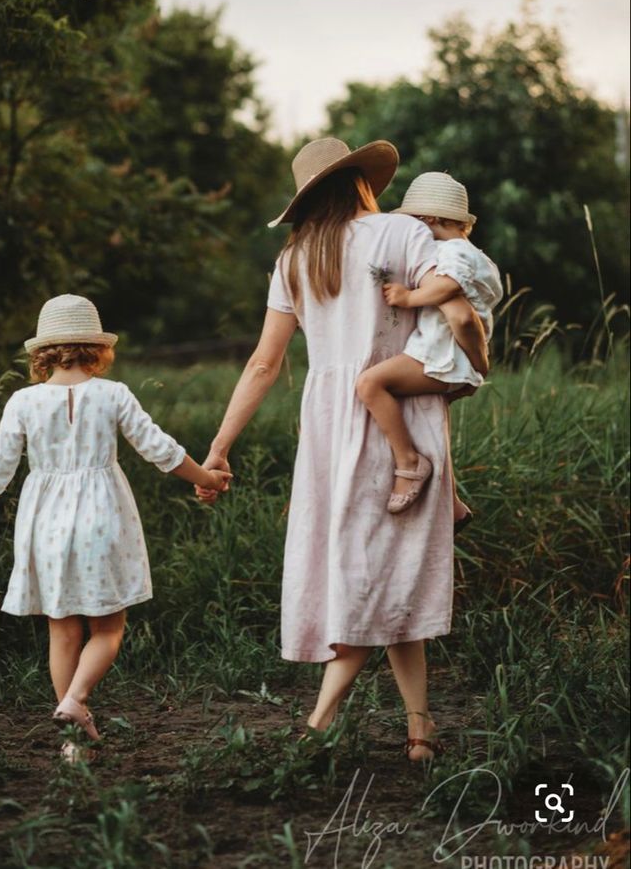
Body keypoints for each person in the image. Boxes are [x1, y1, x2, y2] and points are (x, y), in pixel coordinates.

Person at [195, 137, 487, 761]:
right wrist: (476, 367)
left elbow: (263, 364)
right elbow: (454, 309)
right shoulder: (403, 235)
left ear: (307, 197)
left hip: (331, 425)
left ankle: (416, 728)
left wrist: (219, 447)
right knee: (381, 571)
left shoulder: (293, 259)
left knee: (378, 570)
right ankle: (328, 721)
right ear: (361, 180)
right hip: (399, 414)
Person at [0, 294, 231, 761]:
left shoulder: (24, 401)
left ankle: (73, 741)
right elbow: (157, 448)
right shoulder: (113, 394)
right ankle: (75, 701)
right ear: (98, 349)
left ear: (42, 352)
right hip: (102, 517)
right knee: (108, 629)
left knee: (62, 633)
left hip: (44, 522)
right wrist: (206, 478)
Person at [356, 172, 502, 524]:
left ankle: (409, 463)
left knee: (369, 384)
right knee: (423, 419)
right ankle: (451, 505)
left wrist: (409, 297)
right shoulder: (478, 256)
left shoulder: (451, 252)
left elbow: (453, 299)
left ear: (428, 221)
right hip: (450, 359)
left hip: (442, 357)